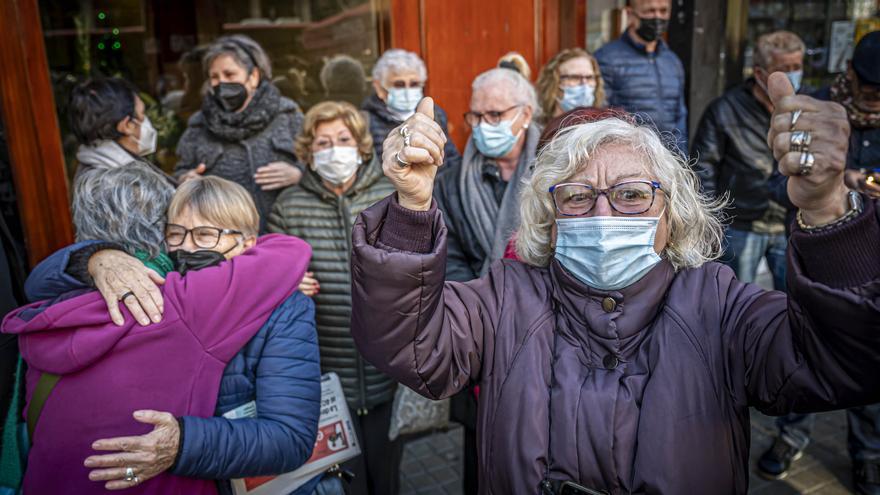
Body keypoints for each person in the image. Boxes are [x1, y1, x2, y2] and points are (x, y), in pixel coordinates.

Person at [348, 68, 880, 495]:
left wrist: (829, 210)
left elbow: (843, 360)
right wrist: (412, 208)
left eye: (631, 195)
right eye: (577, 197)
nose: (604, 213)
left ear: (672, 213)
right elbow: (410, 344)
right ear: (549, 219)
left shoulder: (717, 303)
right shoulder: (505, 294)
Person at [5, 168, 316, 494]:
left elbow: (291, 437)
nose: (189, 248)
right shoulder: (157, 290)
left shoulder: (271, 307)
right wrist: (97, 257)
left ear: (248, 242)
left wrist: (184, 443)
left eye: (206, 235)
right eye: (176, 234)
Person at [757, 31, 880, 495]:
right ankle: (792, 436)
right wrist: (826, 189)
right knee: (807, 342)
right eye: (868, 89)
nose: (873, 99)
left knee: (866, 345)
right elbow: (776, 184)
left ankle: (867, 453)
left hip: (873, 260)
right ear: (849, 74)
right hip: (817, 251)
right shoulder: (816, 110)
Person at [267, 101, 399, 495]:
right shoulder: (289, 206)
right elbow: (271, 285)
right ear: (308, 152)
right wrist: (287, 287)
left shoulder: (392, 196)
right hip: (328, 375)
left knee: (389, 478)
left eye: (343, 139)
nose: (334, 149)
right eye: (323, 142)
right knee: (346, 483)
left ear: (361, 146)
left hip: (388, 370)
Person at [692, 30, 805, 291]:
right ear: (760, 73)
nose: (792, 75)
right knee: (735, 301)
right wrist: (713, 223)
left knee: (795, 301)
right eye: (783, 69)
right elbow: (703, 168)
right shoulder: (725, 110)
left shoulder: (806, 107)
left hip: (791, 221)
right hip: (741, 223)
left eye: (796, 67)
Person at [175, 34, 305, 232]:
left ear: (253, 77)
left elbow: (321, 168)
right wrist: (186, 180)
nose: (222, 83)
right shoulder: (198, 125)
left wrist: (298, 174)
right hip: (221, 240)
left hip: (282, 235)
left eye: (230, 75)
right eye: (215, 77)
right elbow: (181, 172)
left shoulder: (288, 116)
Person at [435, 67, 541, 281]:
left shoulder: (554, 172)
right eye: (476, 116)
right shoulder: (450, 184)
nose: (483, 125)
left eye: (495, 115)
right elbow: (450, 259)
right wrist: (479, 303)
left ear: (526, 114)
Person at [595, 0, 687, 154]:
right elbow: (600, 116)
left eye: (663, 11)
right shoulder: (606, 58)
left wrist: (682, 160)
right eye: (649, 11)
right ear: (630, 14)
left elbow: (680, 117)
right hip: (628, 159)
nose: (657, 17)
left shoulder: (672, 61)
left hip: (668, 161)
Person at [361, 49, 459, 164]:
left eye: (414, 84)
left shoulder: (436, 114)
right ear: (379, 88)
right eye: (399, 84)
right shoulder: (365, 123)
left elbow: (451, 160)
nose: (407, 91)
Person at [69, 77, 173, 185]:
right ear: (126, 125)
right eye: (142, 113)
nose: (147, 120)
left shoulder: (98, 167)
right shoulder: (114, 185)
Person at [536, 48, 606, 122]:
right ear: (554, 82)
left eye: (589, 77)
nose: (584, 83)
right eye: (575, 77)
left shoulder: (602, 127)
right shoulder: (537, 130)